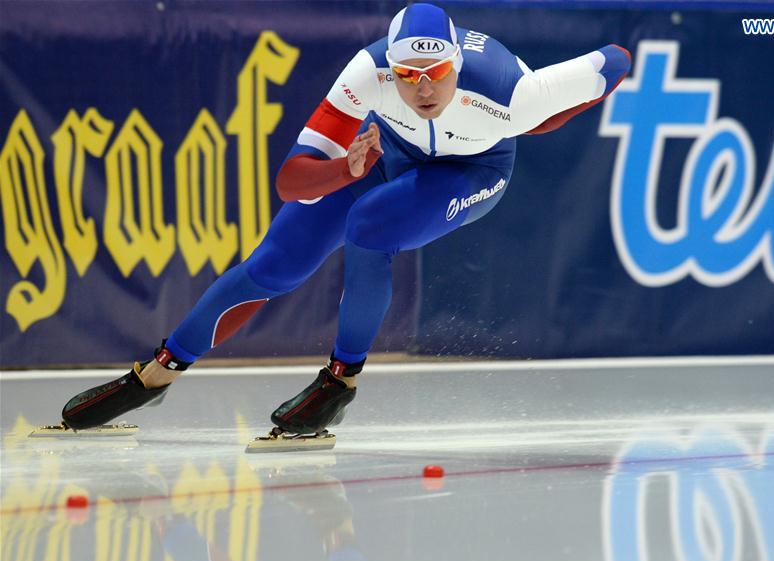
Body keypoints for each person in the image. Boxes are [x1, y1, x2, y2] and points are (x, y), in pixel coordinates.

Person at [60, 3, 631, 437]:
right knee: (274, 265)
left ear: (456, 62)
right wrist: (341, 170)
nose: (424, 87)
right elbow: (291, 181)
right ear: (391, 65)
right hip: (388, 154)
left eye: (435, 71)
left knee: (371, 224)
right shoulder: (366, 73)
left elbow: (615, 61)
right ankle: (158, 371)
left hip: (472, 171)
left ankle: (340, 380)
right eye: (408, 74)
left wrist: (544, 119)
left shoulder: (516, 93)